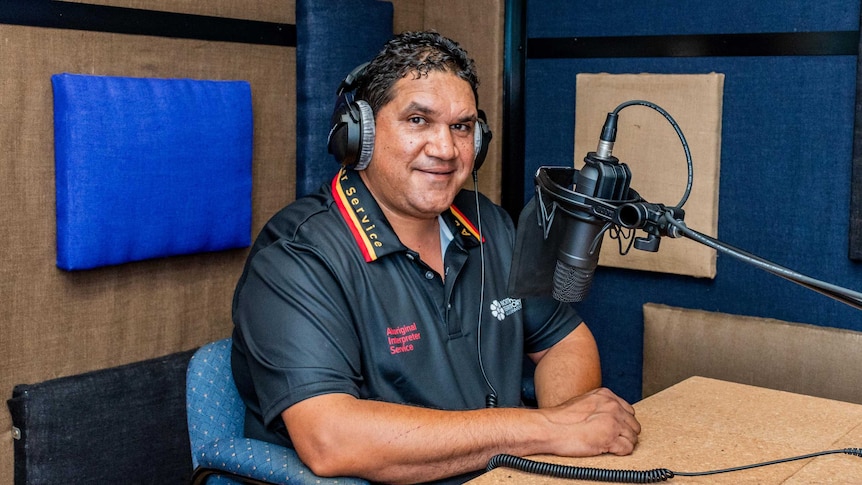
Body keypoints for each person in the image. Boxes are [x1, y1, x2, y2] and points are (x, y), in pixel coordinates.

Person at [231, 30, 640, 484]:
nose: (445, 149)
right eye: (418, 121)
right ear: (359, 134)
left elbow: (566, 341)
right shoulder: (296, 258)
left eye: (461, 127)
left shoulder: (492, 225)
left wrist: (560, 442)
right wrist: (545, 430)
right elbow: (331, 440)